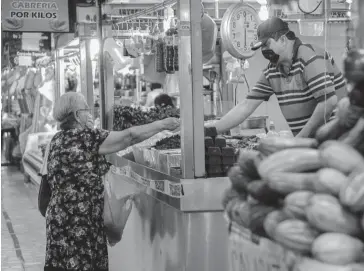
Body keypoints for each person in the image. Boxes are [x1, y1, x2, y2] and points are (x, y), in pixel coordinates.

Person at [43, 92, 179, 271]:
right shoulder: (85, 138)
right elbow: (129, 137)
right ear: (77, 115)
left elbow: (94, 165)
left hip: (59, 222)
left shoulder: (57, 140)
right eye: (86, 109)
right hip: (80, 224)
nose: (90, 113)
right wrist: (163, 124)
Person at [208, 17, 346, 138]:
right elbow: (246, 106)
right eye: (261, 47)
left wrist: (300, 139)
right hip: (312, 143)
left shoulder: (310, 57)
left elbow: (329, 102)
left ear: (283, 40)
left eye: (267, 45)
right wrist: (212, 130)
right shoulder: (272, 70)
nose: (264, 51)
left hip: (339, 140)